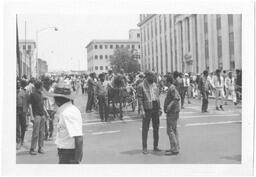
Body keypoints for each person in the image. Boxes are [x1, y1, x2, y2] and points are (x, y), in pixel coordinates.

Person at [52, 82, 83, 164]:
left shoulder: (68, 113)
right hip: (65, 153)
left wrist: (77, 160)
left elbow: (79, 138)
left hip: (69, 155)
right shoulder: (66, 111)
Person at [137, 72, 162, 154]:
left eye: (154, 76)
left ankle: (156, 146)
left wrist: (160, 108)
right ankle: (144, 147)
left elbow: (157, 97)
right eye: (152, 76)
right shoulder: (141, 86)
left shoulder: (155, 84)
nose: (154, 78)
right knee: (145, 129)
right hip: (147, 108)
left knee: (156, 128)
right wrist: (142, 110)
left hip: (155, 107)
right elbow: (140, 99)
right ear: (147, 77)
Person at [28, 80, 49, 155]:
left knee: (41, 133)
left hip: (42, 115)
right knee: (36, 133)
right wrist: (32, 116)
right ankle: (32, 148)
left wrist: (46, 113)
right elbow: (30, 106)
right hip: (36, 115)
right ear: (40, 86)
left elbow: (42, 104)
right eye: (42, 86)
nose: (42, 87)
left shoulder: (41, 94)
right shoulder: (32, 94)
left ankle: (40, 147)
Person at [164, 74, 181, 155]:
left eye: (165, 80)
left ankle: (175, 148)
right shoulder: (171, 88)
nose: (164, 82)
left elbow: (177, 98)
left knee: (170, 130)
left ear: (168, 81)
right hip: (173, 111)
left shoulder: (172, 87)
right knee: (173, 130)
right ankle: (174, 147)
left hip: (173, 112)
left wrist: (169, 106)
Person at [16, 80, 29, 150]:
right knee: (17, 126)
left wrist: (27, 111)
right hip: (16, 110)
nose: (18, 85)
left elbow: (27, 102)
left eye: (18, 84)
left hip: (23, 111)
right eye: (16, 84)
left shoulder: (24, 92)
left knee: (23, 126)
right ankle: (18, 141)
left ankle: (22, 139)